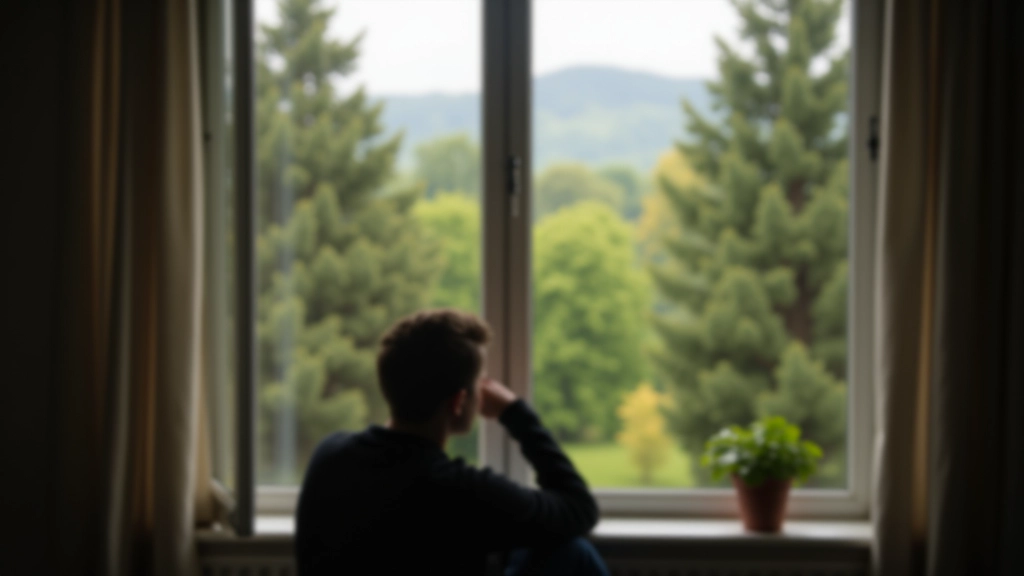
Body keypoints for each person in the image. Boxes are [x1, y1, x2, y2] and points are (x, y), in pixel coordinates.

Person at [295, 309, 609, 576]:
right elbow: (579, 508)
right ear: (459, 401)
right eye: (479, 382)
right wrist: (515, 413)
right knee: (574, 552)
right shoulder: (460, 491)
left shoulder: (330, 454)